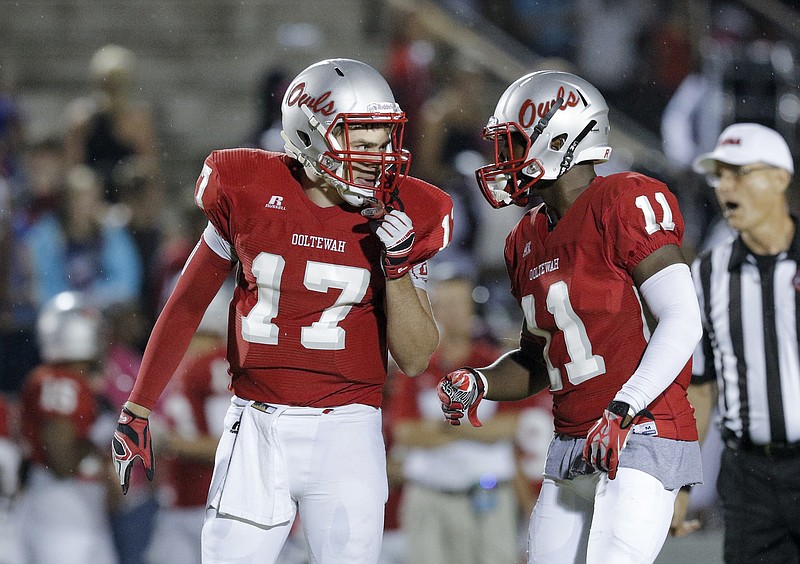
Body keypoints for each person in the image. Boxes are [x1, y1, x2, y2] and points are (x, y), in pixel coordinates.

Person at [111, 58, 454, 564]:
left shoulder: (404, 213)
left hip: (349, 429)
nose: (379, 159)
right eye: (363, 143)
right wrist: (138, 406)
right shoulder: (248, 188)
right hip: (256, 423)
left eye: (384, 143)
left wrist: (399, 267)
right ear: (312, 136)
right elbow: (187, 305)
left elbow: (417, 357)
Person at [436, 70, 704, 564]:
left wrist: (625, 407)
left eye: (515, 144)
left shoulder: (625, 199)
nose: (504, 160)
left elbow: (684, 319)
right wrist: (480, 381)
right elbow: (539, 359)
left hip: (641, 429)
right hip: (571, 441)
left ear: (559, 140)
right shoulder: (524, 239)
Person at [670, 123, 800, 562]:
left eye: (739, 173)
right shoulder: (708, 274)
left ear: (780, 178)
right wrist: (682, 483)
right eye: (719, 176)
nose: (725, 187)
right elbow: (700, 388)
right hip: (749, 478)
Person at [390, 272, 528, 564]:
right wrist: (476, 426)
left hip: (488, 498)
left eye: (460, 304)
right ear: (435, 310)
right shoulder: (417, 366)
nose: (453, 313)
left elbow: (509, 427)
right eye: (446, 305)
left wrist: (444, 424)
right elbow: (405, 433)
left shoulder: (495, 363)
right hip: (429, 497)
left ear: (471, 309)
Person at [16, 291, 119, 564]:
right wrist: (98, 439)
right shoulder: (59, 382)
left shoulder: (84, 386)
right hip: (59, 516)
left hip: (85, 517)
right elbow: (61, 461)